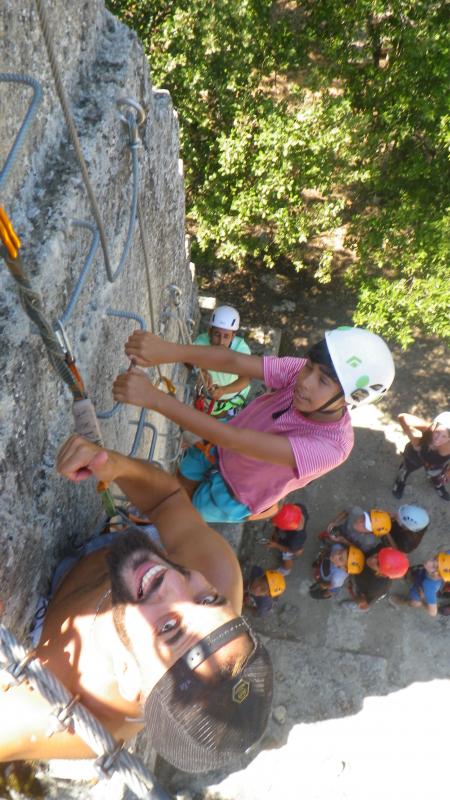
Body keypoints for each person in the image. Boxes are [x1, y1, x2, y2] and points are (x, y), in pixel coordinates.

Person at [0, 435, 272, 771]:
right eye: (208, 600)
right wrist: (116, 466)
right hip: (104, 558)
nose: (172, 579)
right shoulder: (217, 570)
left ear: (131, 680)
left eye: (170, 628)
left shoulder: (73, 715)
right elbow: (168, 499)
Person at [113, 326, 395, 523]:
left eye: (323, 381)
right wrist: (169, 350)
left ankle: (153, 522)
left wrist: (154, 398)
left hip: (238, 492)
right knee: (181, 477)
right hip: (218, 449)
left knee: (182, 515)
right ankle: (155, 510)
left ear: (349, 399)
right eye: (310, 367)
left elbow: (235, 439)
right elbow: (233, 360)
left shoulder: (331, 446)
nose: (305, 381)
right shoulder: (301, 373)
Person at [192, 305, 251, 418]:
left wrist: (224, 390)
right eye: (217, 334)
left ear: (233, 336)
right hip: (208, 396)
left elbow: (245, 379)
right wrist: (202, 370)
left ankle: (228, 412)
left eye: (226, 336)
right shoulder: (201, 343)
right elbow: (188, 359)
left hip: (231, 396)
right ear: (210, 332)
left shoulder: (241, 349)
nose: (221, 342)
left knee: (219, 415)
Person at [392, 411, 450, 501]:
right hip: (416, 455)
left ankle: (438, 484)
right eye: (437, 432)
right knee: (406, 469)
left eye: (444, 436)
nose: (438, 439)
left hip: (436, 462)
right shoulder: (428, 429)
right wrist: (412, 438)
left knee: (436, 474)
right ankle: (400, 481)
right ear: (434, 427)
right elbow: (402, 417)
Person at [344, 547, 409, 612]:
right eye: (377, 556)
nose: (372, 559)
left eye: (378, 564)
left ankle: (354, 606)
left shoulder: (375, 587)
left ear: (382, 574)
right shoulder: (382, 554)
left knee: (360, 603)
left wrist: (357, 599)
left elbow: (364, 603)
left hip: (368, 594)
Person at [398, 552, 450, 618]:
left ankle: (404, 601)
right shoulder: (446, 560)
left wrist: (422, 599)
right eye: (434, 559)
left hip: (417, 591)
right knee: (414, 572)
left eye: (434, 566)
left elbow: (433, 613)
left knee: (414, 603)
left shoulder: (430, 587)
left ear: (439, 576)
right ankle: (407, 575)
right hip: (420, 575)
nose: (428, 562)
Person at [323, 507, 392, 554]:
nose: (359, 522)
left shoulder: (367, 542)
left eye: (365, 526)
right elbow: (346, 511)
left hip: (346, 547)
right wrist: (335, 522)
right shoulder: (356, 511)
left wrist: (343, 540)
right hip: (341, 529)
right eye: (364, 517)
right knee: (328, 535)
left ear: (371, 533)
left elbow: (359, 551)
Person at [265, 503, 308, 575]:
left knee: (287, 555)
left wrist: (276, 545)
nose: (273, 524)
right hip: (287, 533)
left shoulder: (296, 540)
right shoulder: (299, 508)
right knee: (278, 533)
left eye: (276, 524)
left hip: (291, 547)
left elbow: (289, 550)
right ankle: (277, 539)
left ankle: (286, 570)